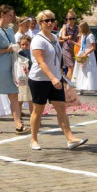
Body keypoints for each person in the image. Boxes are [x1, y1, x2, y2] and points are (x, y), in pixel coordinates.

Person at [27, 10, 88, 151]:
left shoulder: (54, 37)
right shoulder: (38, 40)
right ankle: (33, 139)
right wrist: (52, 77)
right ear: (40, 23)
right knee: (38, 110)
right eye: (45, 21)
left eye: (51, 20)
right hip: (40, 80)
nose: (49, 23)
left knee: (61, 109)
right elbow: (41, 62)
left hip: (56, 79)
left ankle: (70, 139)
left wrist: (59, 75)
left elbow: (56, 59)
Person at [0, 6, 24, 133]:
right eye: (9, 15)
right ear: (2, 14)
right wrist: (7, 50)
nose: (11, 17)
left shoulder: (11, 30)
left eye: (12, 15)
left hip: (9, 67)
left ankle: (18, 124)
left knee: (14, 96)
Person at [72, 21, 97, 95]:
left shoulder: (90, 36)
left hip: (89, 55)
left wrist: (86, 54)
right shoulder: (83, 35)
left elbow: (93, 47)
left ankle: (95, 89)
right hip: (82, 53)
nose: (79, 29)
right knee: (82, 71)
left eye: (80, 28)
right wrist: (74, 43)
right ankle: (81, 88)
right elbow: (82, 45)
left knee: (90, 71)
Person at [14, 35, 33, 117]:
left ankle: (33, 116)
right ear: (20, 44)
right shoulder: (18, 53)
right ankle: (19, 116)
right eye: (23, 44)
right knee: (20, 98)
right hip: (21, 78)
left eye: (27, 44)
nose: (24, 46)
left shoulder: (32, 53)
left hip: (31, 77)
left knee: (31, 99)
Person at [58, 10, 79, 80]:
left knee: (74, 68)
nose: (72, 20)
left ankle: (69, 83)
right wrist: (67, 37)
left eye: (73, 18)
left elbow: (80, 37)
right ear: (67, 19)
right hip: (66, 49)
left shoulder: (77, 27)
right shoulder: (65, 27)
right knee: (71, 66)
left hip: (75, 49)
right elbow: (63, 36)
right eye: (70, 19)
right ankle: (69, 84)